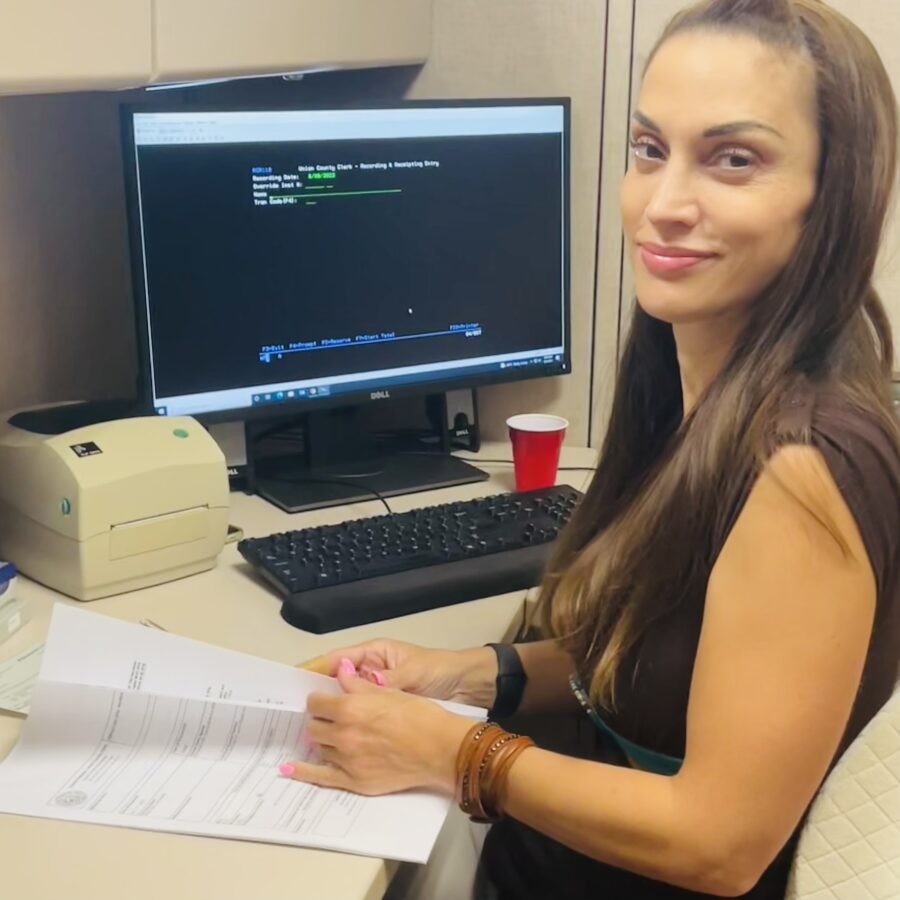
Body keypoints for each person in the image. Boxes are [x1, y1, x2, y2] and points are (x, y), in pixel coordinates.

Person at [280, 0, 900, 896]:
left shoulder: (803, 468)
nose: (665, 203)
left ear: (830, 198)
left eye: (734, 159)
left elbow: (719, 845)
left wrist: (460, 752)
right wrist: (468, 675)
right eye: (650, 149)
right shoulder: (689, 384)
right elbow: (665, 658)